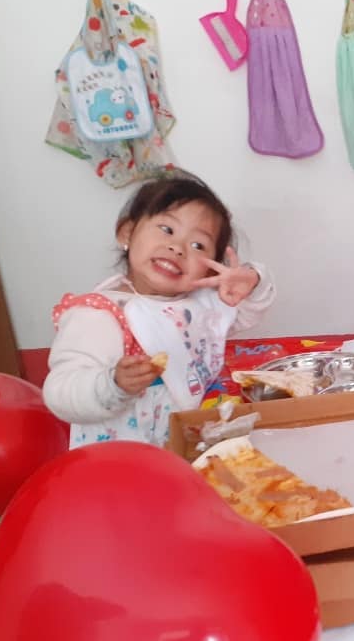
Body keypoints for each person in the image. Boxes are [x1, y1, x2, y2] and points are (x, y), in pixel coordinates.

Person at [44, 173, 275, 448]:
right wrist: (113, 384)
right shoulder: (100, 315)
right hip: (122, 460)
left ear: (210, 269)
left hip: (186, 447)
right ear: (127, 232)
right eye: (167, 229)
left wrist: (252, 281)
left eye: (198, 245)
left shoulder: (197, 304)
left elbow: (248, 310)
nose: (177, 248)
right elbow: (59, 393)